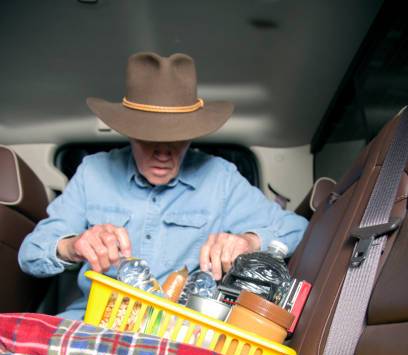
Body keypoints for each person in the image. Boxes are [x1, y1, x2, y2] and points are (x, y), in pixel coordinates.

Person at [19, 52, 308, 320]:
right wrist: (73, 246)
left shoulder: (220, 178)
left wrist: (249, 241)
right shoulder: (93, 172)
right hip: (93, 317)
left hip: (179, 326)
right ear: (129, 133)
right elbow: (30, 254)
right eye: (149, 137)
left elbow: (297, 228)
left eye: (177, 137)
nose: (163, 151)